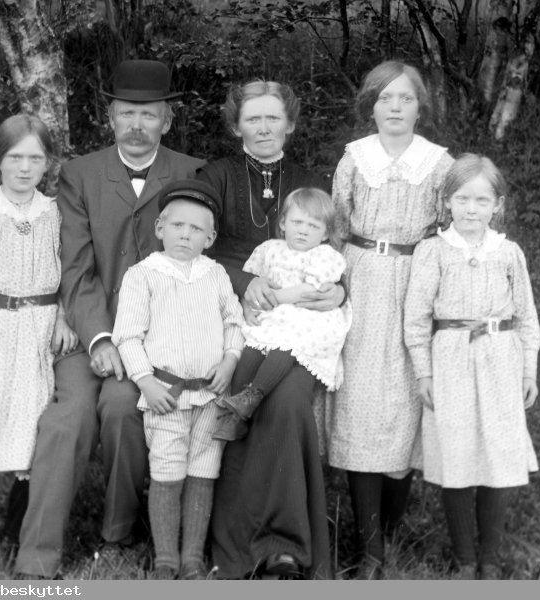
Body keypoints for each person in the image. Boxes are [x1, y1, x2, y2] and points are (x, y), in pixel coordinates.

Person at [15, 60, 205, 579]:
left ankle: (117, 533)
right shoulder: (80, 174)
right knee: (66, 419)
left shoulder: (193, 172)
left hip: (156, 343)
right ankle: (36, 557)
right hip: (86, 333)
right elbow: (75, 267)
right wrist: (100, 336)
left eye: (148, 115)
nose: (137, 125)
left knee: (123, 410)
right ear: (111, 116)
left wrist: (137, 347)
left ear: (167, 119)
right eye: (127, 114)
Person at [196, 80, 344, 580]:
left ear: (290, 124)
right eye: (252, 118)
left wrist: (340, 291)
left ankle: (286, 545)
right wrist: (245, 280)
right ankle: (236, 549)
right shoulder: (214, 175)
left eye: (272, 118)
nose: (263, 127)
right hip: (237, 313)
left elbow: (332, 250)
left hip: (304, 327)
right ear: (237, 125)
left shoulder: (309, 179)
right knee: (238, 392)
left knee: (284, 405)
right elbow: (194, 243)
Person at [326, 60, 454, 579]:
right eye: (385, 99)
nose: (395, 108)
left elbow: (452, 231)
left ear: (420, 106)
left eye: (405, 98)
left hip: (414, 283)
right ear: (370, 106)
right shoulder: (354, 159)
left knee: (402, 405)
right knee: (359, 404)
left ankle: (391, 537)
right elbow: (334, 228)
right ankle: (367, 543)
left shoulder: (439, 165)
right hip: (360, 279)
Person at [404, 154, 540, 580]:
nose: (471, 209)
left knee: (499, 453)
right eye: (462, 199)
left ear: (497, 205)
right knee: (457, 452)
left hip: (501, 358)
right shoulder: (432, 251)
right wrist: (424, 372)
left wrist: (528, 371)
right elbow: (416, 318)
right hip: (451, 361)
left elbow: (527, 316)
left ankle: (491, 560)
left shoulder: (509, 253)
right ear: (447, 202)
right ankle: (464, 559)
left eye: (482, 201)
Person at [0, 114, 77, 566]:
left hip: (41, 329)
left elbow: (70, 271)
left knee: (35, 430)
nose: (24, 168)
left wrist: (63, 316)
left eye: (35, 158)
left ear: (48, 164)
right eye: (14, 157)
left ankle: (15, 529)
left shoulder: (56, 211)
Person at [112, 179, 245, 579]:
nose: (185, 235)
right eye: (177, 226)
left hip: (210, 395)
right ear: (159, 228)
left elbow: (234, 322)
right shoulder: (144, 274)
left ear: (210, 237)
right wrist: (145, 381)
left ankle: (192, 558)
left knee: (203, 471)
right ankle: (166, 558)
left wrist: (230, 360)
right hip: (166, 395)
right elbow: (127, 335)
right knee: (168, 472)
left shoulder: (215, 274)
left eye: (196, 229)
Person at [213, 187, 351, 442]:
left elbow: (308, 292)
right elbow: (251, 279)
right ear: (284, 223)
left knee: (283, 347)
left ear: (324, 235)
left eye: (313, 225)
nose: (303, 229)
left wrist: (274, 299)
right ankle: (235, 414)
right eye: (297, 222)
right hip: (271, 317)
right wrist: (247, 305)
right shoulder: (269, 249)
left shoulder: (325, 255)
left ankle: (253, 394)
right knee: (251, 350)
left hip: (307, 318)